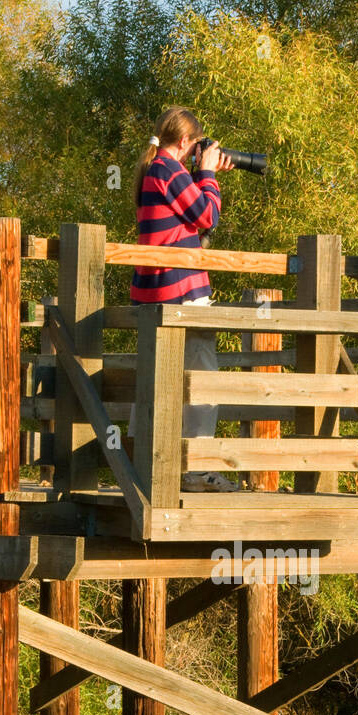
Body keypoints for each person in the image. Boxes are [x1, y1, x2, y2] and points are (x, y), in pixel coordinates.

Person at [130, 106, 236, 492]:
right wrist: (206, 174)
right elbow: (207, 216)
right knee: (202, 377)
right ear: (187, 142)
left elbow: (186, 216)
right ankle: (198, 469)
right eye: (196, 147)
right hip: (180, 292)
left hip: (156, 292)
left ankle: (142, 463)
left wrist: (201, 175)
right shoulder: (168, 169)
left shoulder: (156, 170)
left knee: (157, 377)